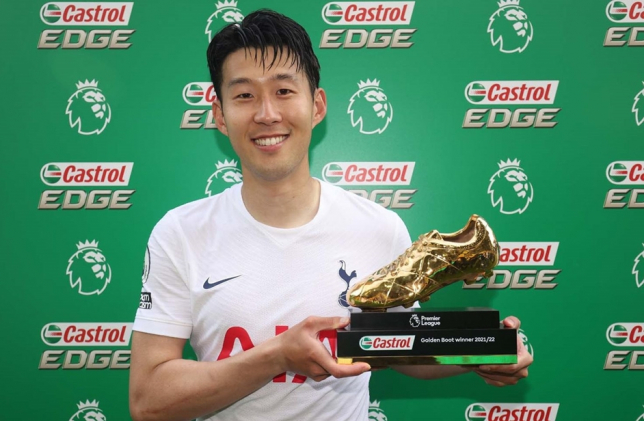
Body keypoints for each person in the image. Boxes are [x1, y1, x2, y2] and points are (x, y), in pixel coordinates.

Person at [129, 9, 533, 421]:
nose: (267, 113)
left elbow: (400, 348)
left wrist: (477, 353)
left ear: (317, 105)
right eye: (244, 95)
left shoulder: (379, 227)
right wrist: (277, 357)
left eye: (284, 91)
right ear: (219, 114)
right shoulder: (180, 233)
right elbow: (148, 400)